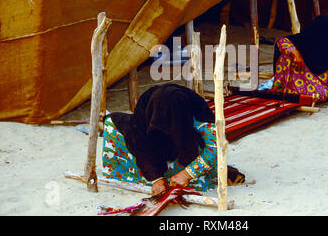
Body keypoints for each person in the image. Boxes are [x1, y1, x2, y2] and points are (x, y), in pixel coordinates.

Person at [103, 84, 244, 196]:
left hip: (187, 148)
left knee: (198, 180)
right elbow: (139, 141)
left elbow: (216, 147)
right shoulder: (146, 106)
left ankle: (180, 173)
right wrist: (156, 179)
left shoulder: (196, 113)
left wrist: (188, 174)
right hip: (158, 148)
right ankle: (163, 175)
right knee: (112, 124)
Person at [271, 15, 328, 106]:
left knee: (317, 94)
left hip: (318, 89)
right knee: (287, 54)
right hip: (296, 82)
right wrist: (295, 53)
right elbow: (281, 42)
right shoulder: (305, 40)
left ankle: (291, 94)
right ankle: (276, 88)